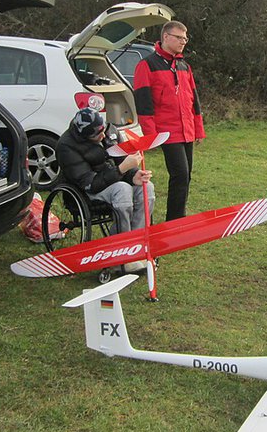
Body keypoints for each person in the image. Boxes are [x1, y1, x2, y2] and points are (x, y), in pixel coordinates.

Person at [56, 107, 154, 273]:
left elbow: (121, 159)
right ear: (84, 136)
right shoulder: (66, 147)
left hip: (111, 178)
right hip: (87, 189)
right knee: (122, 190)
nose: (103, 136)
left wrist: (133, 174)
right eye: (97, 136)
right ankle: (120, 252)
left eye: (103, 131)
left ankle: (136, 246)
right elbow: (90, 184)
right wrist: (122, 170)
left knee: (146, 187)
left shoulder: (107, 131)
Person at [134, 21, 205, 221]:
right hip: (167, 132)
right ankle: (175, 221)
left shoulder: (184, 66)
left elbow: (194, 100)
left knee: (186, 176)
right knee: (180, 174)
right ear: (166, 37)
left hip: (186, 130)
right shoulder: (146, 65)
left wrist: (198, 129)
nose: (183, 42)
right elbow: (143, 102)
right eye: (179, 37)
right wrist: (151, 135)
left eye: (185, 38)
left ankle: (177, 218)